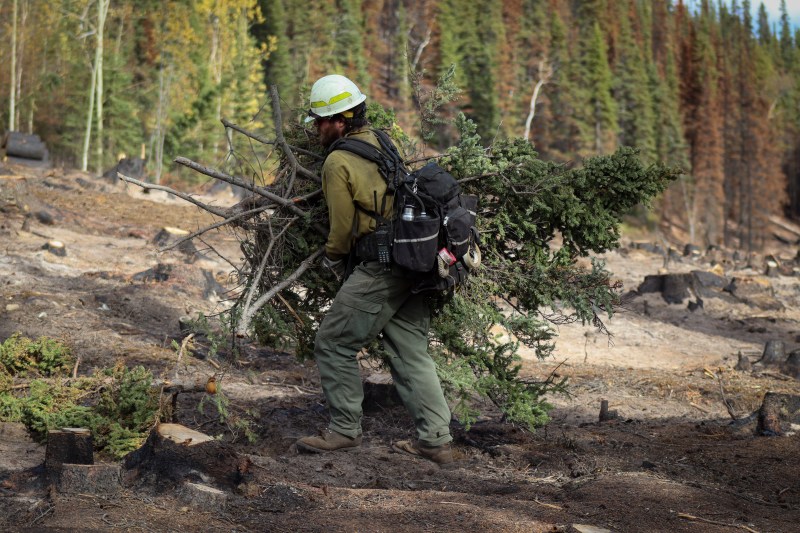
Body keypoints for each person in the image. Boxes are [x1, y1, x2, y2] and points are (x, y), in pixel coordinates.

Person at [295, 74, 454, 464]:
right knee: (410, 350)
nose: (316, 128)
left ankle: (344, 431)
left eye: (320, 120)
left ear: (339, 120)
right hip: (415, 260)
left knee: (333, 342)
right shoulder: (383, 139)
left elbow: (342, 229)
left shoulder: (337, 160)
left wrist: (332, 259)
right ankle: (435, 441)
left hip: (381, 265)